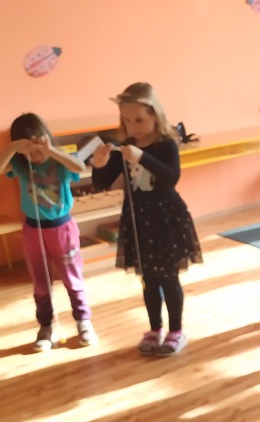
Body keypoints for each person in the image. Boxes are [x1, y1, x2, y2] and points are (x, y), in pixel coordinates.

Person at [92, 82, 202, 357]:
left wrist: (142, 157)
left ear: (155, 114)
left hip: (165, 220)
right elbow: (102, 183)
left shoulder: (166, 144)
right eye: (127, 120)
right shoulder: (126, 146)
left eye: (139, 120)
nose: (133, 126)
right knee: (148, 280)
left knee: (169, 278)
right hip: (138, 221)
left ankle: (176, 331)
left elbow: (171, 177)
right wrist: (99, 164)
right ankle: (155, 329)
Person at [0, 112, 96, 351]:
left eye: (38, 149)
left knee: (72, 278)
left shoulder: (60, 161)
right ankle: (46, 325)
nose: (35, 156)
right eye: (29, 151)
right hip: (33, 231)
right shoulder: (19, 164)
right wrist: (14, 148)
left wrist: (51, 151)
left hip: (62, 230)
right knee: (40, 282)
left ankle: (83, 320)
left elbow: (79, 166)